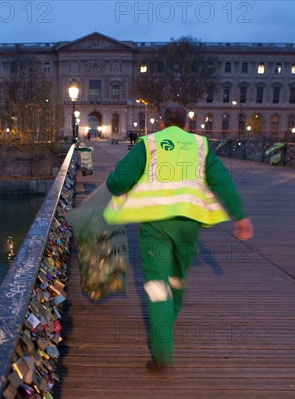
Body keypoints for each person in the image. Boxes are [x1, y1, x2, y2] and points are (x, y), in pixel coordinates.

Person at [103, 104, 254, 373]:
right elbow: (221, 181)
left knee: (157, 286)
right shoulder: (199, 144)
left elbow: (119, 181)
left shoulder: (148, 144)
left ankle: (162, 352)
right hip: (189, 224)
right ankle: (170, 314)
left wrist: (117, 186)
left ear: (162, 124)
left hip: (155, 225)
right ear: (186, 125)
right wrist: (240, 216)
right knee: (176, 277)